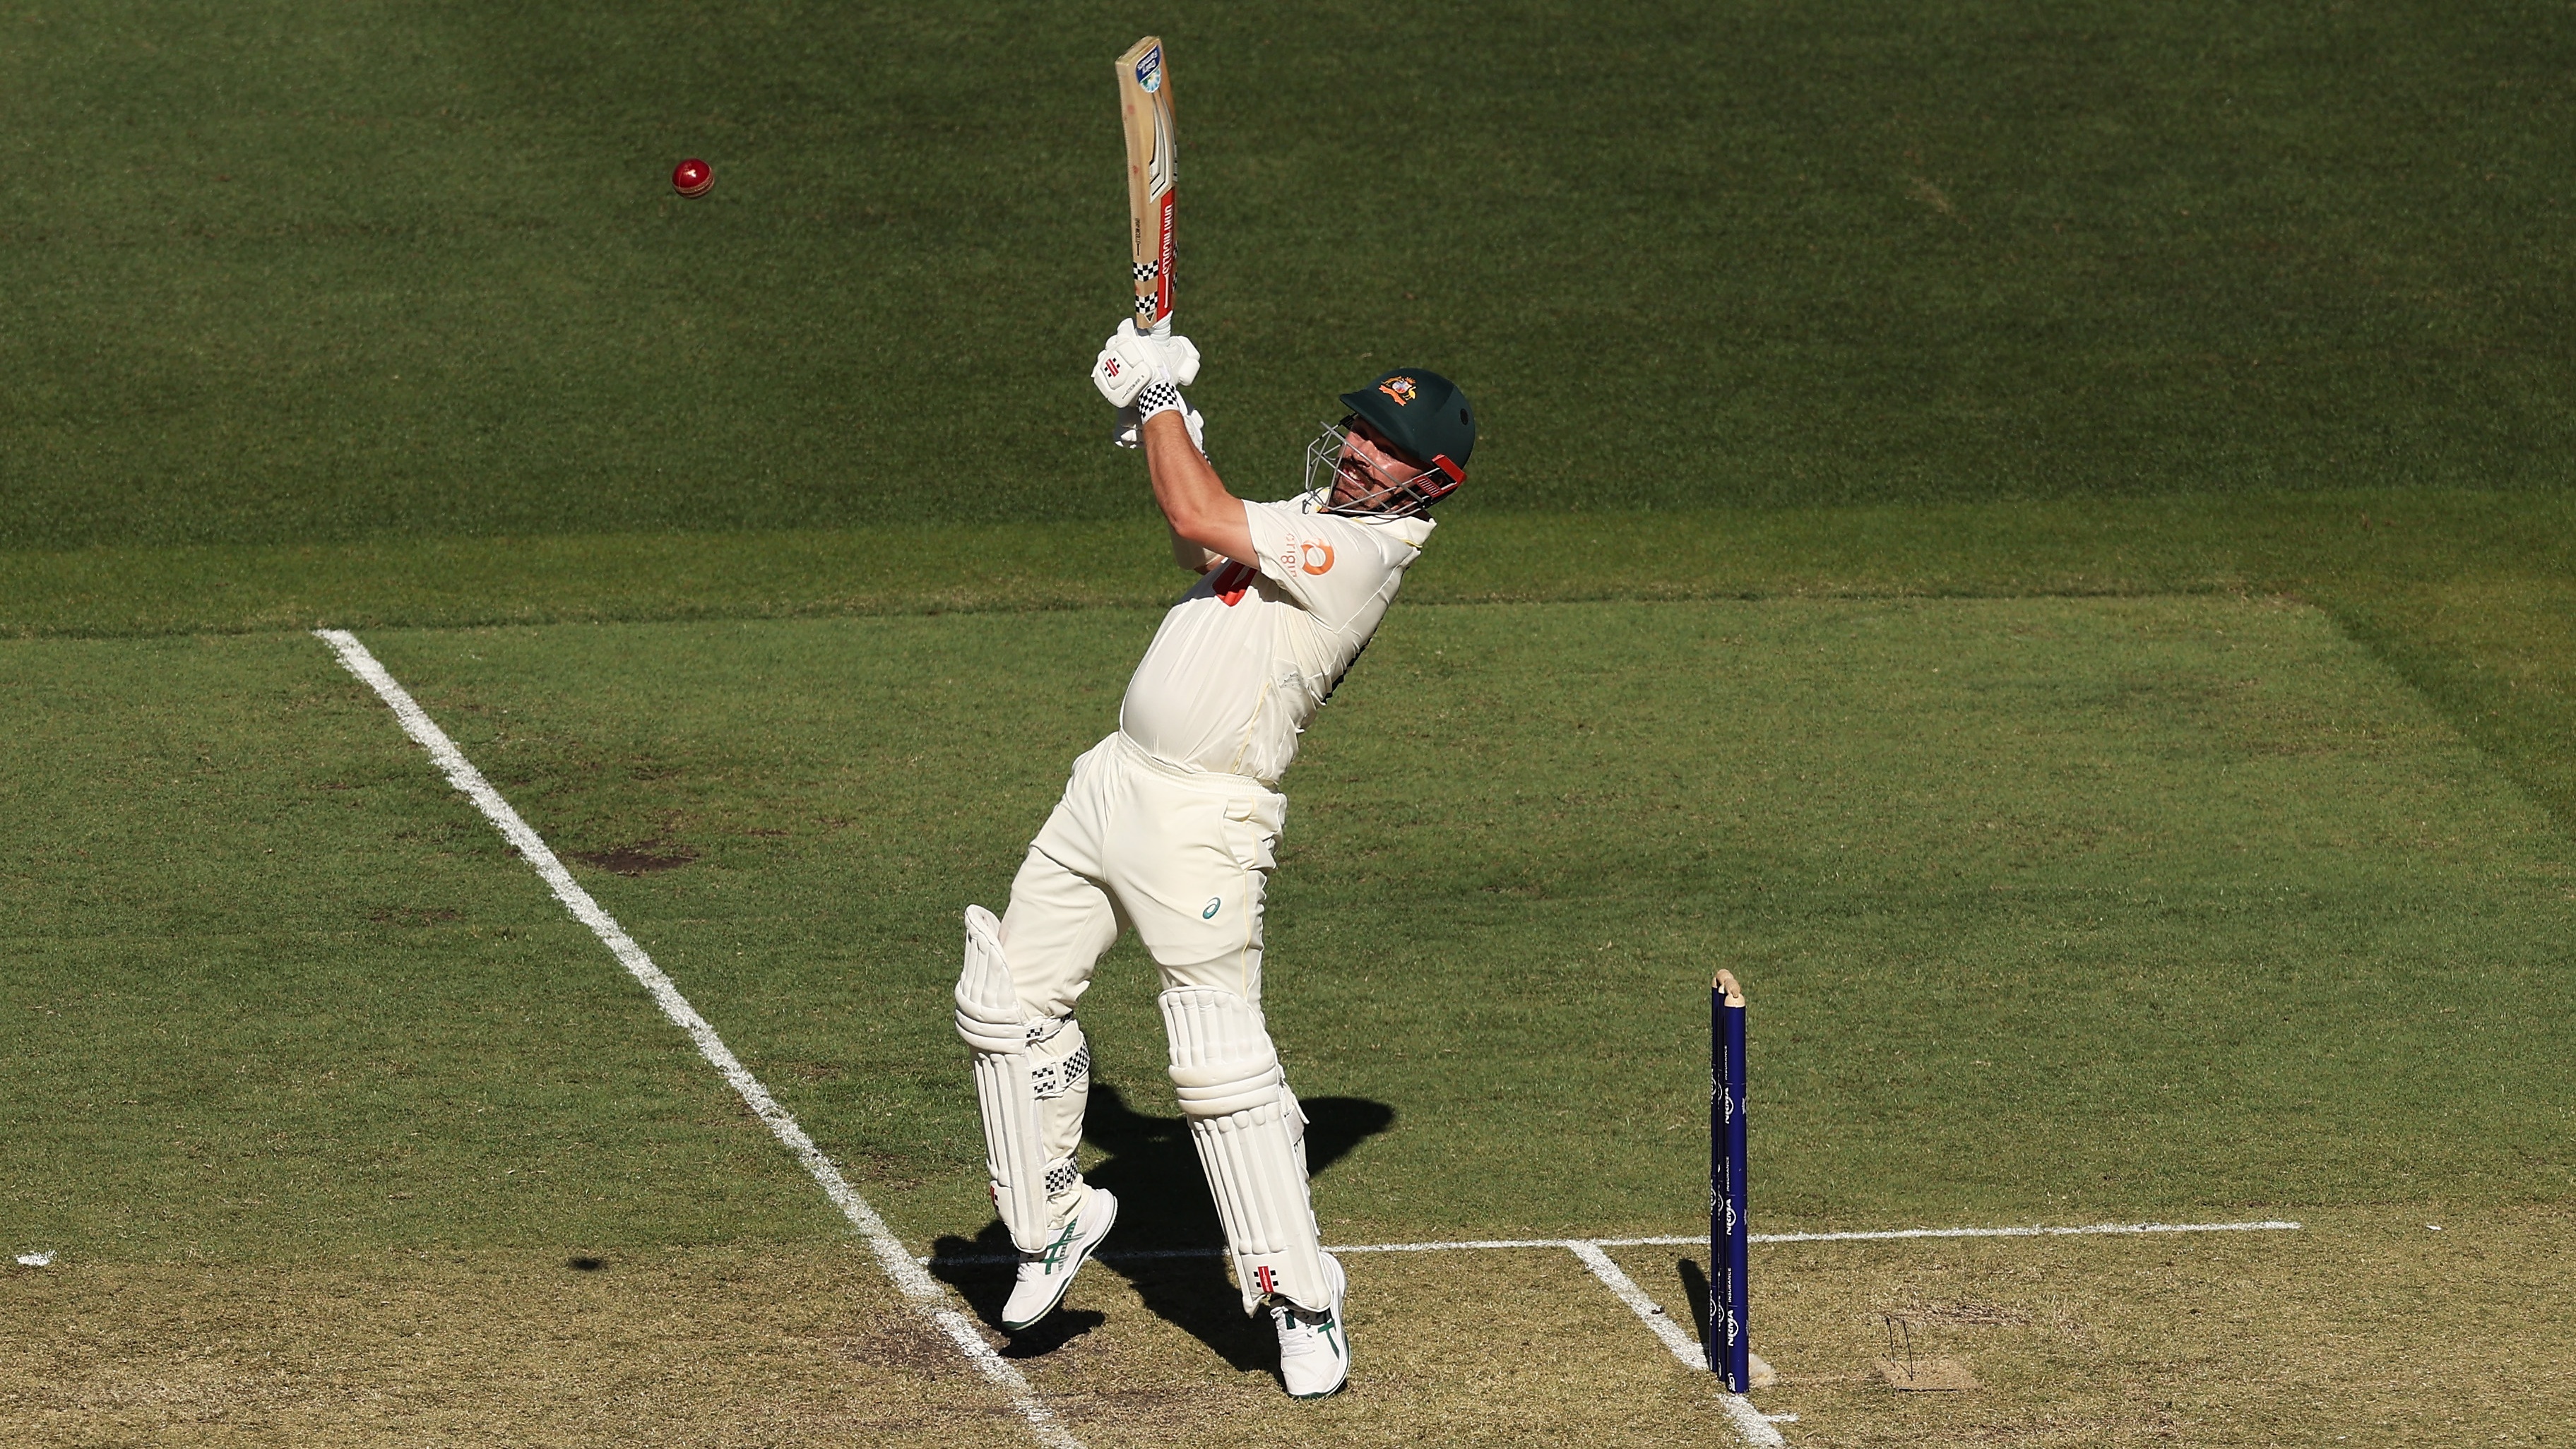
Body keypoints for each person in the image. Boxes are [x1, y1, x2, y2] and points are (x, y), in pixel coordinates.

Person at [950, 319, 1476, 1400]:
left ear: (1431, 482)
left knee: (1218, 1065)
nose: (1359, 448)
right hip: (1109, 784)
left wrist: (1152, 403)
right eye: (1360, 426)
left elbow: (1197, 511)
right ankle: (1049, 1222)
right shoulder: (1311, 515)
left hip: (1204, 823)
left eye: (1384, 445)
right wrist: (1171, 420)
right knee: (1005, 998)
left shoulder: (1369, 551)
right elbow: (1201, 541)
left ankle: (1300, 1301)